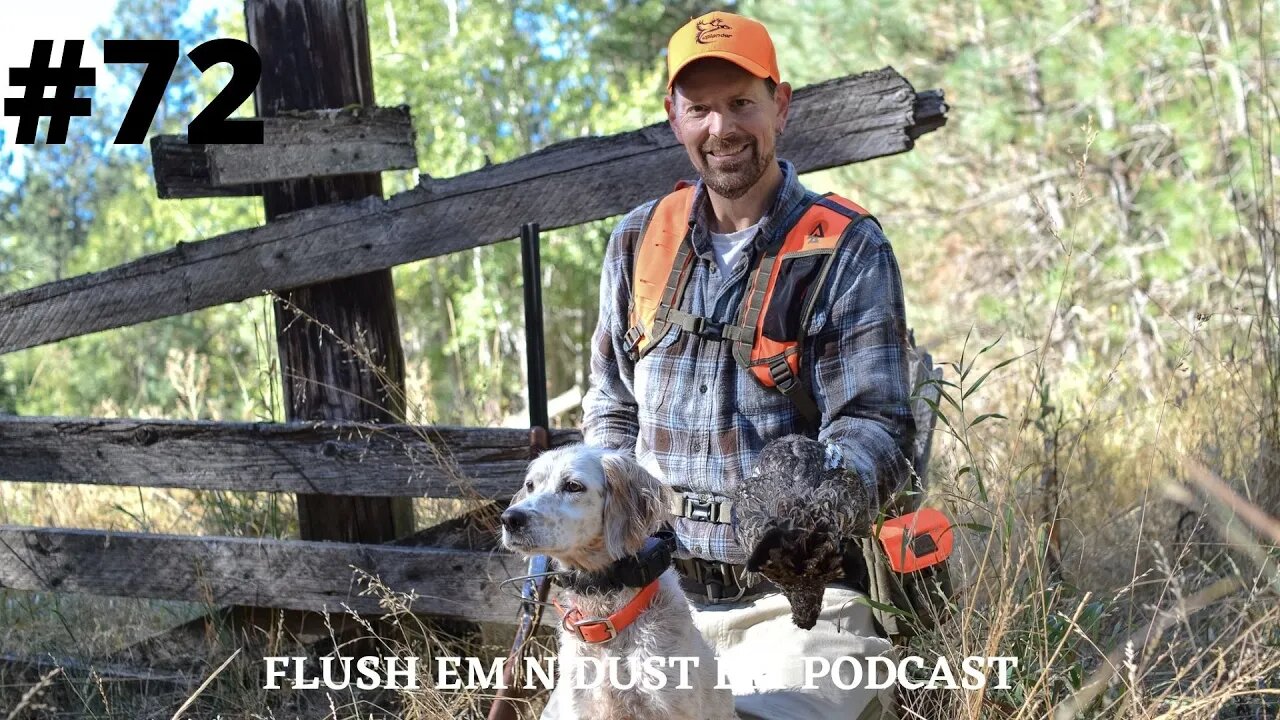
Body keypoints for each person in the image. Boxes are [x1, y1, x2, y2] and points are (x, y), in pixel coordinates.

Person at [554, 10, 917, 720]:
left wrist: (821, 494)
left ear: (779, 104)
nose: (722, 128)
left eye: (741, 103)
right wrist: (600, 515)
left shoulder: (845, 247)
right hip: (650, 597)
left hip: (797, 607)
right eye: (701, 109)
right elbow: (612, 407)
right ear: (674, 117)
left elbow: (877, 422)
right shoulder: (639, 240)